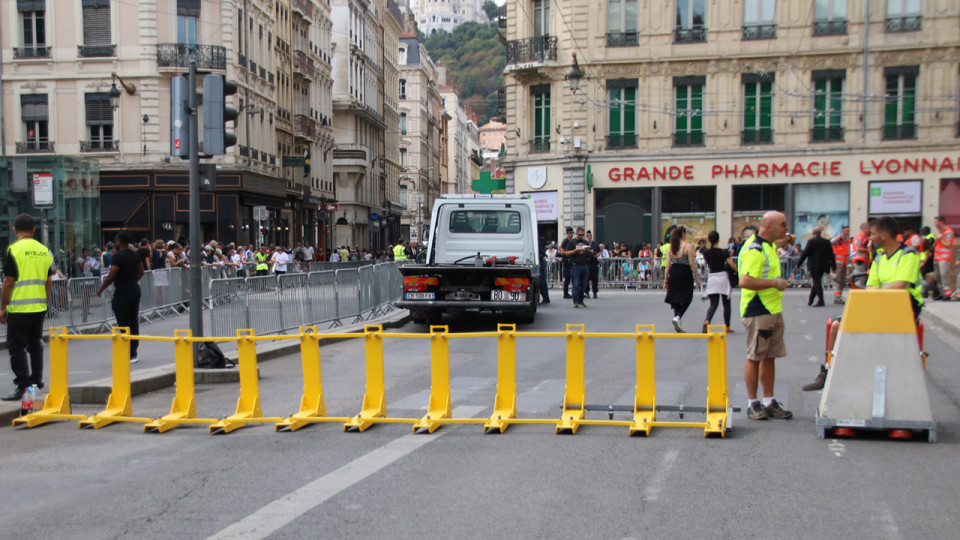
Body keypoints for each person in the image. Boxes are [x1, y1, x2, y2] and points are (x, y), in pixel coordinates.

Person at [802, 217, 924, 391]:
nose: (870, 239)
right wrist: (877, 292)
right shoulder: (880, 258)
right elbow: (870, 285)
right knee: (835, 325)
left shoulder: (908, 254)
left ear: (884, 234)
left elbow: (900, 285)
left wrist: (877, 291)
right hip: (881, 304)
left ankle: (850, 372)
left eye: (872, 234)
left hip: (905, 307)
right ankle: (827, 371)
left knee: (853, 327)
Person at [739, 211, 792, 420]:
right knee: (755, 356)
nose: (786, 228)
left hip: (771, 309)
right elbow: (744, 281)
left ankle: (769, 401)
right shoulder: (755, 249)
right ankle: (752, 403)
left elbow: (782, 240)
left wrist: (787, 240)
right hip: (758, 308)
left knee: (769, 356)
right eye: (783, 224)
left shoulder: (769, 244)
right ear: (768, 226)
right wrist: (775, 283)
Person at [1, 214, 55, 401]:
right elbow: (49, 281)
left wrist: (2, 307)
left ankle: (23, 385)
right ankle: (37, 383)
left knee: (17, 347)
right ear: (33, 230)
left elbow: (8, 281)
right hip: (38, 307)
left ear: (15, 230)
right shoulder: (44, 251)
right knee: (35, 345)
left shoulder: (13, 250)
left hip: (19, 308)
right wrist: (45, 303)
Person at [97, 231, 144, 364]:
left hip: (122, 292)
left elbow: (111, 276)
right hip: (134, 289)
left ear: (119, 241)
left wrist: (101, 289)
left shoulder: (118, 256)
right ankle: (133, 351)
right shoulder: (135, 255)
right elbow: (141, 272)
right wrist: (131, 280)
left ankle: (126, 350)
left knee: (123, 322)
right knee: (133, 321)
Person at [663, 225, 701, 332]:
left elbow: (667, 265)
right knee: (687, 297)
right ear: (683, 234)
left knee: (675, 298)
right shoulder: (688, 246)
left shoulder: (671, 247)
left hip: (673, 273)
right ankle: (678, 317)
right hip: (684, 273)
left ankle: (677, 321)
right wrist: (697, 277)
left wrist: (665, 279)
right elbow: (692, 263)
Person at [701, 231, 735, 334]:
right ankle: (727, 326)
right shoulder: (723, 252)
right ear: (718, 239)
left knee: (713, 304)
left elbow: (705, 264)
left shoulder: (706, 253)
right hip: (723, 277)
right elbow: (732, 264)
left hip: (712, 278)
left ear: (709, 240)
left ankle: (707, 320)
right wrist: (739, 271)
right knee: (726, 303)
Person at [797, 227, 836, 307]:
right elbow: (831, 255)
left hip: (814, 265)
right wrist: (833, 267)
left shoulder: (811, 242)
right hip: (824, 265)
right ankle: (810, 300)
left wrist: (799, 264)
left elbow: (805, 253)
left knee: (816, 282)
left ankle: (821, 300)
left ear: (813, 234)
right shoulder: (826, 242)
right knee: (816, 281)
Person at [560, 227, 591, 308]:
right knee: (576, 284)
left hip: (584, 265)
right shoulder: (572, 242)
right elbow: (566, 253)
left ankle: (581, 300)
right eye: (580, 234)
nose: (581, 236)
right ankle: (576, 301)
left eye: (582, 235)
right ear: (576, 234)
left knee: (584, 284)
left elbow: (592, 252)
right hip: (575, 266)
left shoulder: (585, 242)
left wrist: (588, 250)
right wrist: (576, 250)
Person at [932, 215, 956, 299]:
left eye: (936, 222)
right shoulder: (939, 232)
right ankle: (941, 293)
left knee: (944, 275)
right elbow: (934, 246)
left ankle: (947, 293)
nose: (934, 224)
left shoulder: (948, 232)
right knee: (938, 276)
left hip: (944, 257)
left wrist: (941, 238)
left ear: (941, 222)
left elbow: (948, 245)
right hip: (937, 257)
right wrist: (936, 239)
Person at [831, 225, 851, 304]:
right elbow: (830, 246)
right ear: (842, 231)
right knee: (837, 280)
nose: (848, 232)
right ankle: (837, 296)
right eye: (846, 231)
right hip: (838, 263)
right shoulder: (837, 240)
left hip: (844, 263)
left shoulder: (847, 240)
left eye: (849, 231)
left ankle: (839, 295)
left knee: (842, 281)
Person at [560, 227, 574, 299]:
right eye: (570, 233)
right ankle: (565, 293)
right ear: (567, 233)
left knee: (572, 278)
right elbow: (562, 251)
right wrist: (569, 253)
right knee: (567, 279)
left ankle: (573, 292)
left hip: (572, 262)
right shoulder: (565, 241)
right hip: (566, 262)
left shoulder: (572, 241)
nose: (571, 234)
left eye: (572, 233)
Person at [585, 230, 600, 299]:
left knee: (594, 278)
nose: (589, 237)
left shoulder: (595, 244)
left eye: (590, 235)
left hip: (594, 263)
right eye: (587, 235)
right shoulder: (584, 244)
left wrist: (597, 255)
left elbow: (599, 252)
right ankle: (586, 292)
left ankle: (595, 292)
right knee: (586, 279)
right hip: (586, 263)